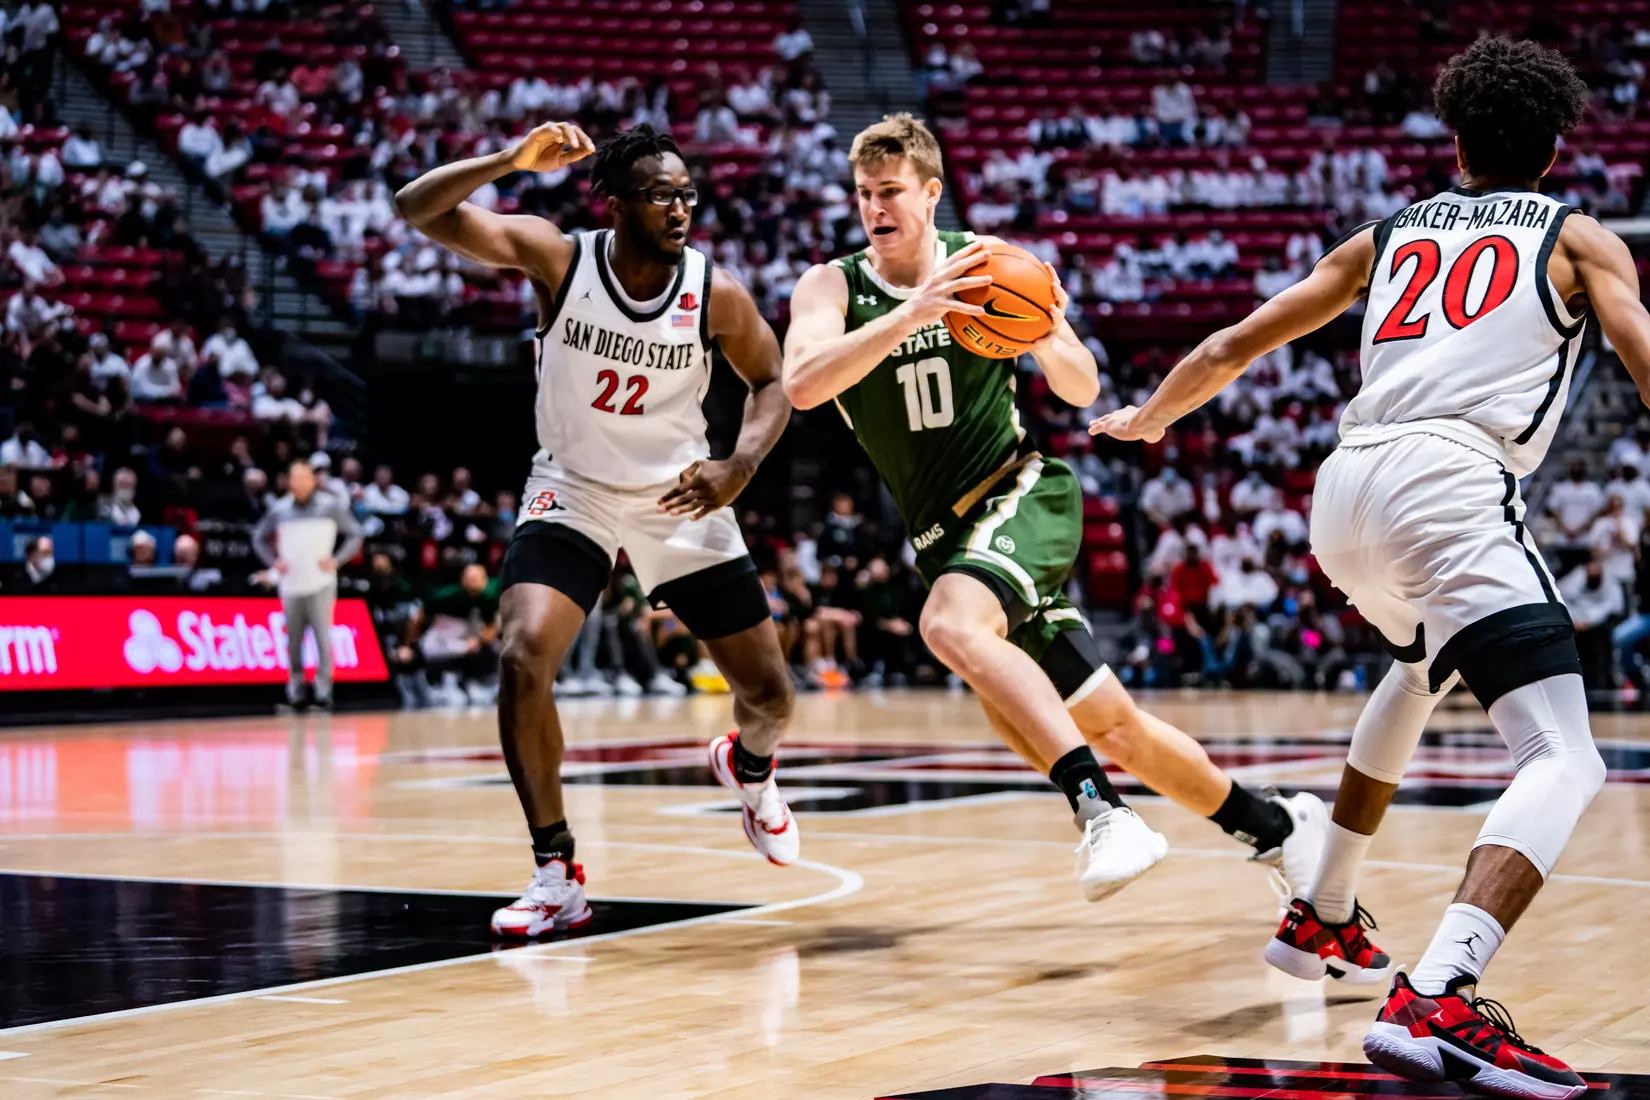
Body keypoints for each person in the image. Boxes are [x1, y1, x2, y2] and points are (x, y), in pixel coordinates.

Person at [1091, 38, 1644, 1097]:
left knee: (1412, 668)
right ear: (1556, 144)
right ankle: (1440, 992)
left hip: (1344, 488)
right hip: (1449, 478)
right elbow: (1639, 352)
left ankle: (1323, 909)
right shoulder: (1579, 237)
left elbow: (1233, 345)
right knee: (1565, 755)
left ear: (1457, 140)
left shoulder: (1387, 233)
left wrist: (1150, 415)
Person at [783, 113, 1326, 904]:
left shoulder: (989, 264)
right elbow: (803, 385)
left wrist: (1041, 332)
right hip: (946, 539)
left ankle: (1104, 813)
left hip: (1020, 491)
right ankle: (1276, 827)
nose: (876, 208)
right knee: (1111, 726)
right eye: (865, 194)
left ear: (931, 192)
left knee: (948, 626)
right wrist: (913, 314)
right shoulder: (832, 285)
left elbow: (1082, 387)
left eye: (891, 191)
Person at [395, 121, 798, 938]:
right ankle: (557, 870)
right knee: (523, 653)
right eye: (660, 194)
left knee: (770, 696)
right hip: (573, 486)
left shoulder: (713, 291)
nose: (680, 208)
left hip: (679, 494)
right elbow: (418, 209)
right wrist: (508, 160)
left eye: (688, 193)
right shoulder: (559, 257)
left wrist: (741, 464)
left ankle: (748, 767)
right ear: (614, 204)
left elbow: (772, 380)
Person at [251, 458, 365, 713]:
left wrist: (337, 559)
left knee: (322, 638)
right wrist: (273, 562)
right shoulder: (279, 509)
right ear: (289, 481)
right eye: (295, 477)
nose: (300, 482)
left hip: (321, 582)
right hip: (291, 583)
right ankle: (296, 693)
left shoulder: (330, 506)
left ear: (312, 480)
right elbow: (258, 537)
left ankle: (324, 693)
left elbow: (356, 533)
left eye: (305, 477)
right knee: (293, 640)